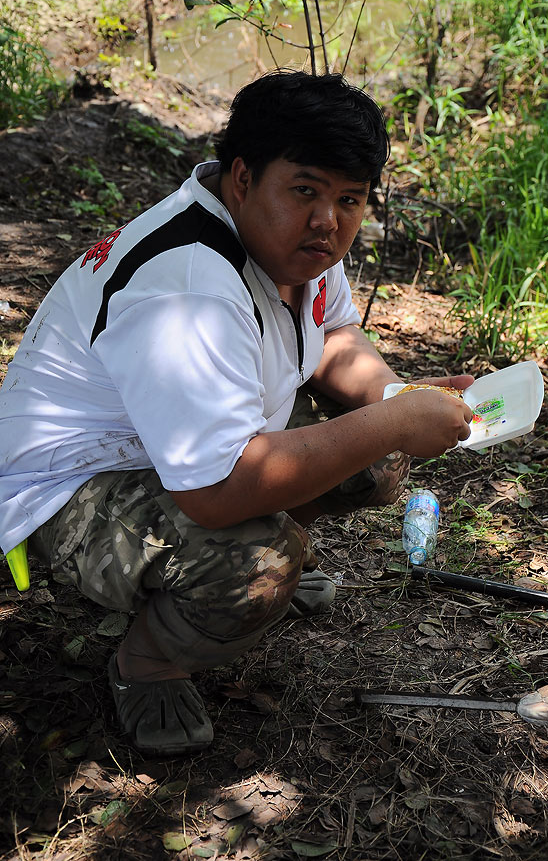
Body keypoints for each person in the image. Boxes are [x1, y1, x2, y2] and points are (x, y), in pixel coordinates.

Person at [0, 71, 473, 755]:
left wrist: (396, 399)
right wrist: (393, 423)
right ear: (244, 177)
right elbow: (214, 495)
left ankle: (267, 546)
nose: (328, 221)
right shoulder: (190, 286)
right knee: (257, 562)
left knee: (374, 457)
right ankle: (149, 662)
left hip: (183, 444)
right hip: (73, 481)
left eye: (350, 199)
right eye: (305, 190)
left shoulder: (295, 244)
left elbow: (335, 335)